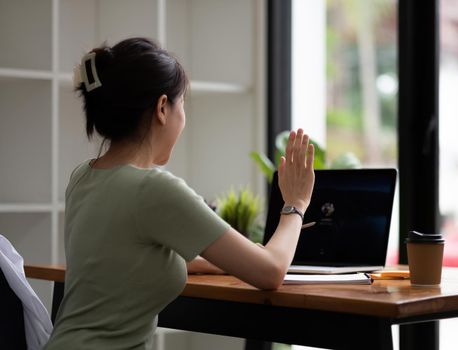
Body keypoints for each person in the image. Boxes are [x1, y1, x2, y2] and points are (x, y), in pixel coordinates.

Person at [44, 37, 315, 350]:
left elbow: (121, 260)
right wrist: (295, 204)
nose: (183, 118)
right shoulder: (154, 189)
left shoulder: (83, 176)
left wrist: (212, 259)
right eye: (182, 104)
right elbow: (270, 272)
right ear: (162, 108)